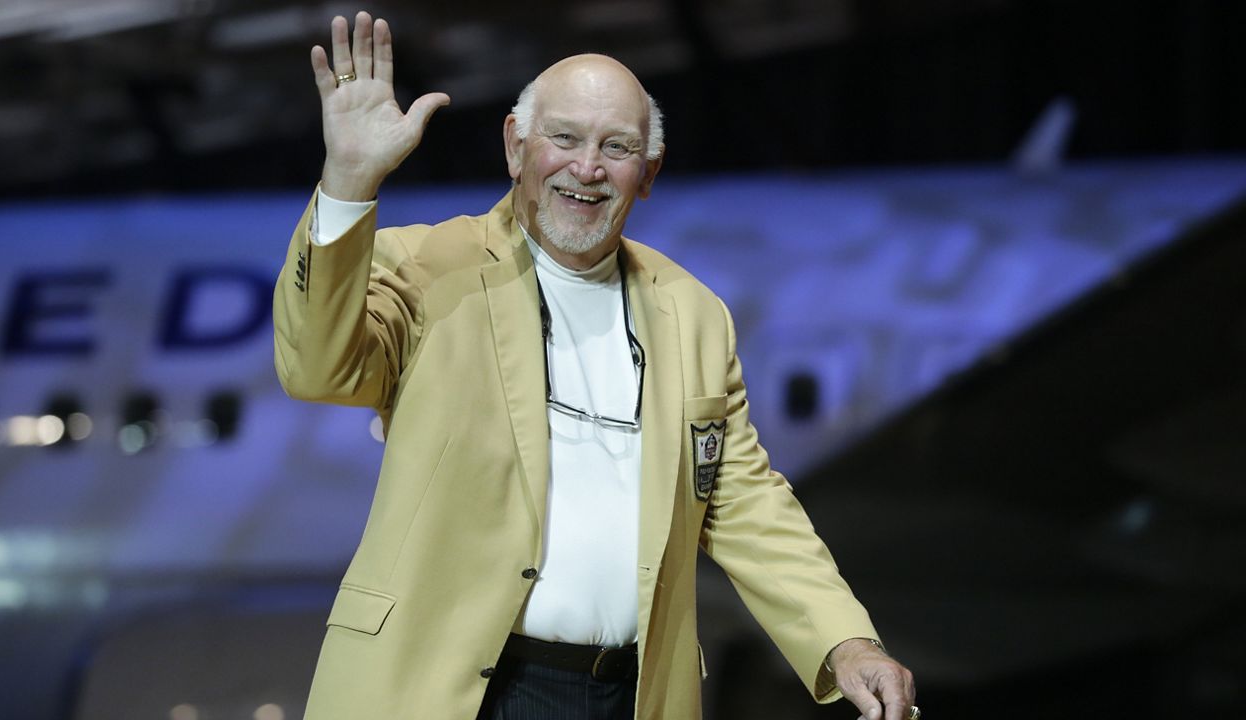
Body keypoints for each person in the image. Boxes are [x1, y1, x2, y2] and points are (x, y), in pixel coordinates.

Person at [273, 10, 918, 720]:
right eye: (565, 138)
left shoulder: (693, 314)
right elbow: (316, 367)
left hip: (630, 695)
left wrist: (846, 643)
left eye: (617, 147)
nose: (587, 168)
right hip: (449, 690)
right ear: (516, 148)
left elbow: (743, 500)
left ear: (648, 174)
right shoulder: (425, 267)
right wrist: (347, 185)